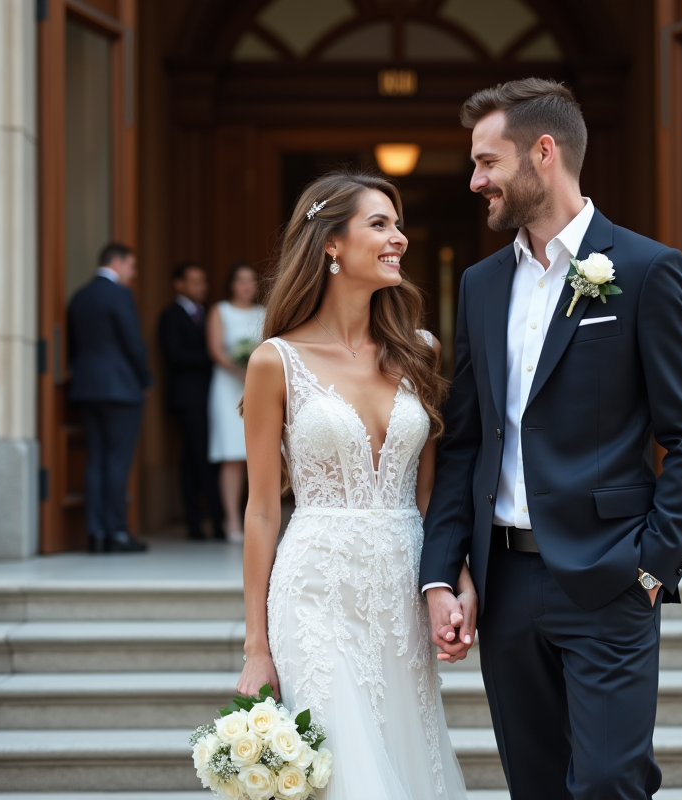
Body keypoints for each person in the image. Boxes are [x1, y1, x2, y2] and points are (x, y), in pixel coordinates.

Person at [420, 78, 682, 800]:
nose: (474, 181)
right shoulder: (482, 285)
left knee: (612, 782)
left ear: (543, 153)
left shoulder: (647, 271)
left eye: (488, 162)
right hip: (505, 584)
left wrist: (652, 572)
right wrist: (441, 572)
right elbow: (465, 443)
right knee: (536, 785)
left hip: (610, 579)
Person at [235, 171, 471, 799]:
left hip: (400, 588)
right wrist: (256, 646)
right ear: (331, 245)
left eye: (398, 224)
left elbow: (430, 494)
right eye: (380, 224)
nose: (399, 238)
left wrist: (454, 578)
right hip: (315, 592)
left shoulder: (420, 351)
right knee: (347, 773)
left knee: (404, 753)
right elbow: (261, 511)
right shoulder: (274, 362)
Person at [66, 242, 153, 554]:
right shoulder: (119, 294)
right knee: (117, 461)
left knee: (96, 460)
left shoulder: (79, 296)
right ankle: (116, 532)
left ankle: (96, 533)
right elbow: (133, 343)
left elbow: (74, 347)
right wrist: (145, 379)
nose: (133, 273)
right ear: (116, 263)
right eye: (131, 266)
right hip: (121, 389)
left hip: (87, 389)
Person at [158, 262, 223, 541]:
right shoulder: (170, 316)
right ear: (179, 284)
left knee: (199, 458)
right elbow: (175, 355)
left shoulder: (208, 314)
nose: (201, 287)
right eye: (195, 281)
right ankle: (206, 522)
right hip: (188, 398)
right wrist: (214, 355)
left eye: (203, 281)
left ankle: (206, 521)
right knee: (197, 458)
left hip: (212, 396)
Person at [206, 262, 266, 542]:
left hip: (257, 388)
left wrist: (254, 373)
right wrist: (238, 370)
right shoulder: (220, 311)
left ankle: (259, 520)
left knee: (258, 454)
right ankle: (232, 521)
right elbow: (215, 348)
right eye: (241, 280)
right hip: (227, 387)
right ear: (231, 284)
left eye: (251, 280)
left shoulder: (263, 313)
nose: (247, 285)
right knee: (232, 455)